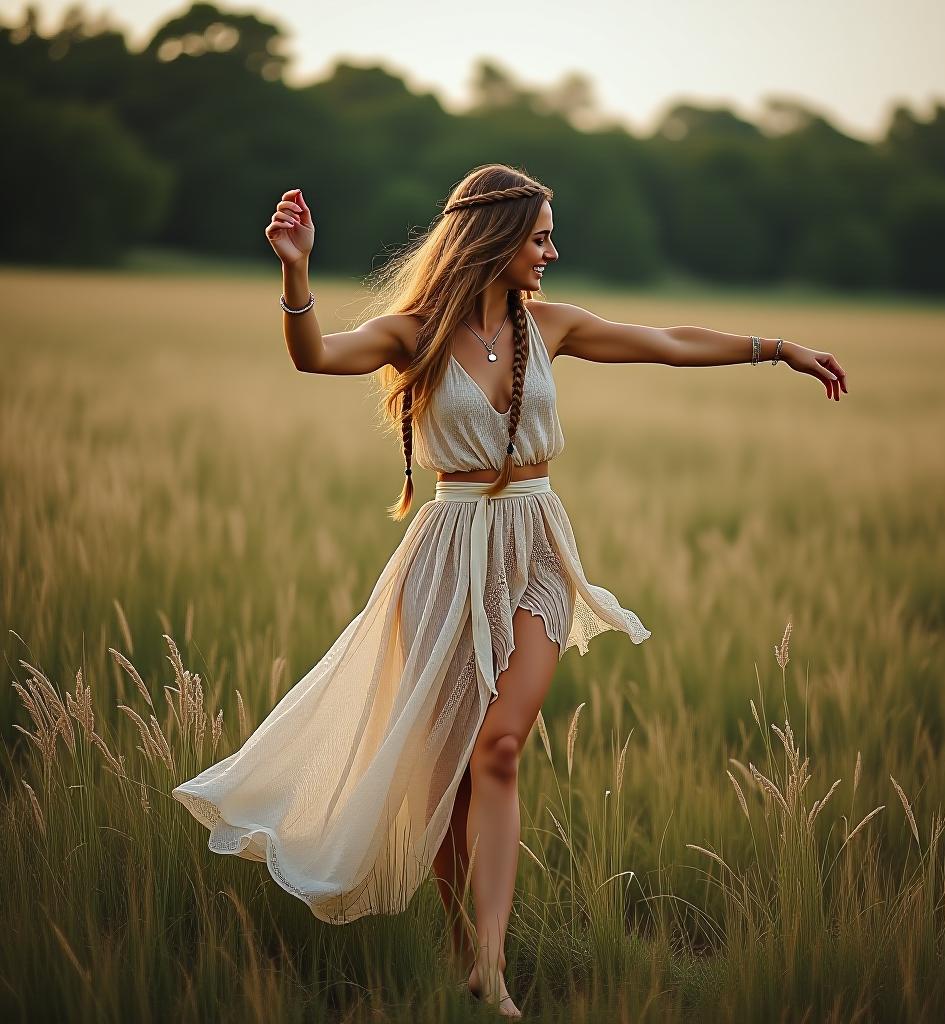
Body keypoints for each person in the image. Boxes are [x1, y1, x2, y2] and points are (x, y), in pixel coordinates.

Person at [172, 163, 847, 1018]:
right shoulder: (410, 334)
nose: (552, 252)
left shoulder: (549, 327)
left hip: (535, 548)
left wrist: (776, 347)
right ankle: (465, 954)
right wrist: (295, 271)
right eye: (539, 237)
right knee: (446, 776)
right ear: (494, 241)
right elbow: (314, 357)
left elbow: (665, 341)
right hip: (444, 557)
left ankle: (492, 963)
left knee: (498, 748)